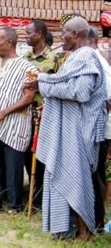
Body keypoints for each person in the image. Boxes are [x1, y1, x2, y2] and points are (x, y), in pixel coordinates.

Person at [24, 17, 107, 240]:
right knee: (67, 177)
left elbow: (80, 92)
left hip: (81, 130)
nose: (61, 37)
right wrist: (45, 81)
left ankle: (84, 232)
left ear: (76, 35)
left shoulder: (87, 56)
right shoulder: (75, 57)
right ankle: (69, 230)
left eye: (64, 33)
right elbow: (66, 83)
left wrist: (45, 83)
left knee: (77, 181)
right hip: (70, 129)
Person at [0, 27, 36, 213]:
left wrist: (4, 112)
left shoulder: (27, 67)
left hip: (14, 123)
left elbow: (28, 97)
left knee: (13, 166)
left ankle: (14, 205)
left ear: (9, 42)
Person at [23, 20, 61, 211]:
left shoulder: (55, 58)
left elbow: (58, 85)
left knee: (42, 157)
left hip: (45, 115)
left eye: (29, 33)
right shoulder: (25, 57)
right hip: (24, 114)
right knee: (26, 155)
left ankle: (42, 199)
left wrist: (40, 84)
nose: (26, 35)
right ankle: (32, 196)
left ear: (39, 34)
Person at [88, 26, 110, 230]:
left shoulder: (96, 62)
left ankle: (96, 221)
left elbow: (108, 99)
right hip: (99, 128)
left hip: (100, 129)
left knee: (96, 175)